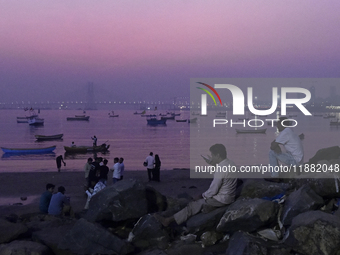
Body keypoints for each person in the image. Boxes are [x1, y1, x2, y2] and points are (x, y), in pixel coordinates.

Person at [155, 144, 237, 227]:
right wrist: (213, 164)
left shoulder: (220, 169)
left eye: (212, 155)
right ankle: (210, 207)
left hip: (221, 199)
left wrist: (202, 196)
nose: (211, 157)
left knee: (193, 206)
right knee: (199, 201)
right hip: (230, 197)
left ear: (218, 155)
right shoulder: (231, 163)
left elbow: (213, 190)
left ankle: (167, 220)